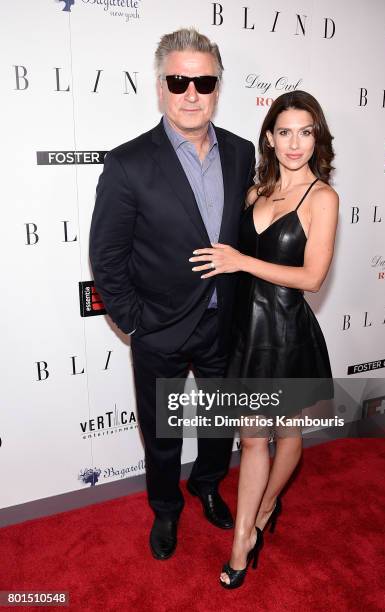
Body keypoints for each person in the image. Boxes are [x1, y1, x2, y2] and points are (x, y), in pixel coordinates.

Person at [89, 28, 255, 560]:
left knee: (217, 425)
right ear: (160, 86)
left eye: (203, 81)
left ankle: (207, 484)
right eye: (179, 80)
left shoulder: (240, 152)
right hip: (159, 326)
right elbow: (108, 256)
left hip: (221, 322)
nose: (191, 92)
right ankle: (165, 510)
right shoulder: (129, 163)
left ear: (217, 87)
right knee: (162, 437)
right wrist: (135, 321)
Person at [189, 90, 338, 588]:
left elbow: (313, 277)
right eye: (285, 131)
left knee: (288, 435)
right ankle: (242, 541)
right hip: (245, 335)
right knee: (253, 439)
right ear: (270, 138)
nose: (294, 143)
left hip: (288, 333)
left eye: (305, 131)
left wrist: (242, 260)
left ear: (316, 138)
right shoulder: (255, 191)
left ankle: (269, 502)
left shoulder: (323, 198)